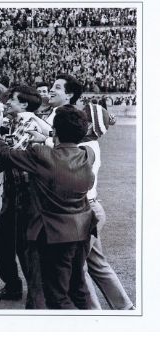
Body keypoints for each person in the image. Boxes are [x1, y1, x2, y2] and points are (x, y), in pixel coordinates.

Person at [0, 105, 96, 309]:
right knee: (78, 289)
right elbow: (68, 145)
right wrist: (47, 137)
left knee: (56, 297)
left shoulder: (41, 154)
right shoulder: (87, 153)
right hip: (81, 232)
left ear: (56, 132)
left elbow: (4, 153)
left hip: (52, 236)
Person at [0, 86, 46, 309]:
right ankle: (13, 287)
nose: (8, 102)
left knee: (24, 246)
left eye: (13, 99)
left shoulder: (31, 123)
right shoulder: (16, 123)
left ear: (25, 105)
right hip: (14, 191)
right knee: (3, 242)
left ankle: (36, 297)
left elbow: (11, 157)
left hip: (28, 194)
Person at [79, 103, 134, 310]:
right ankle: (124, 306)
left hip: (84, 212)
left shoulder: (85, 147)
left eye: (82, 118)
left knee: (78, 267)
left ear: (91, 126)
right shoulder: (88, 143)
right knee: (97, 264)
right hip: (91, 209)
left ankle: (94, 314)